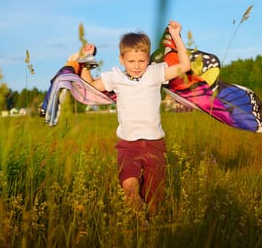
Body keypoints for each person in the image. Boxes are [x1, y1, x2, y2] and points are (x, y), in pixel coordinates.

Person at [79, 20, 191, 219]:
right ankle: (141, 225)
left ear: (148, 58)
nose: (137, 66)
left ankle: (152, 229)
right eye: (131, 61)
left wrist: (176, 37)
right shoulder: (115, 78)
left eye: (141, 61)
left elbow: (184, 66)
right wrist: (85, 60)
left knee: (154, 199)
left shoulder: (155, 73)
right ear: (122, 60)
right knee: (129, 187)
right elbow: (90, 86)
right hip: (127, 146)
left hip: (154, 144)